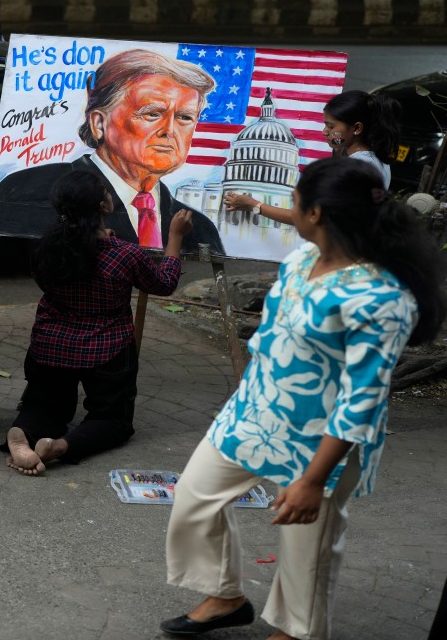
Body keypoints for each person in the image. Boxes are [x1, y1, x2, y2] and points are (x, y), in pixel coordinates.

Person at [161, 156, 446, 640]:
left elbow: (363, 399)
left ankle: (295, 631)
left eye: (294, 201)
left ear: (315, 214)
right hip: (252, 414)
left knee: (305, 548)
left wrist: (313, 481)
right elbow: (272, 337)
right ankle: (225, 595)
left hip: (321, 440)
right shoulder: (300, 261)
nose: (288, 208)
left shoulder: (381, 296)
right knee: (194, 496)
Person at [4, 171, 192, 475]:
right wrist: (175, 238)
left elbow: (58, 273)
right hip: (108, 349)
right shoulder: (124, 255)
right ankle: (61, 447)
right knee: (112, 419)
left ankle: (23, 433)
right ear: (104, 205)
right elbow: (164, 283)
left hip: (50, 346)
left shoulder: (44, 248)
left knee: (44, 408)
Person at [0, 48, 224, 255]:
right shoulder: (29, 190)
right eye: (152, 113)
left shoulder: (199, 227)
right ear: (99, 123)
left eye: (185, 117)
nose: (169, 131)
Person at [224, 89, 404, 222]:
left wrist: (254, 205)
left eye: (331, 126)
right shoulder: (375, 160)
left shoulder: (355, 169)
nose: (325, 132)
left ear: (356, 128)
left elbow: (310, 217)